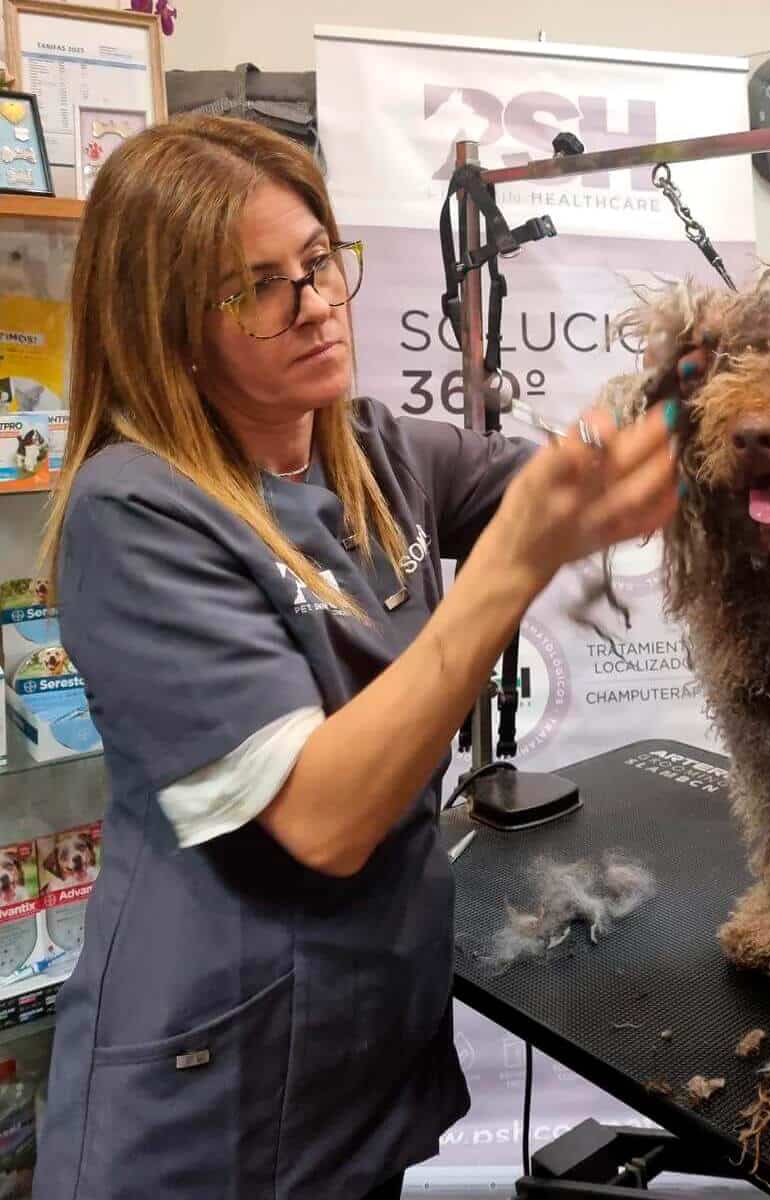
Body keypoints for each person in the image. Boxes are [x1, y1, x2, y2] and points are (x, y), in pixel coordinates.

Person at [33, 115, 682, 1200]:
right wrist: (507, 570)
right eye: (259, 287)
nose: (319, 305)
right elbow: (326, 818)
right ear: (168, 328)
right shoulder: (135, 514)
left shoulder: (377, 449)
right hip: (207, 1102)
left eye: (318, 263)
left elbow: (602, 483)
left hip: (352, 1052)